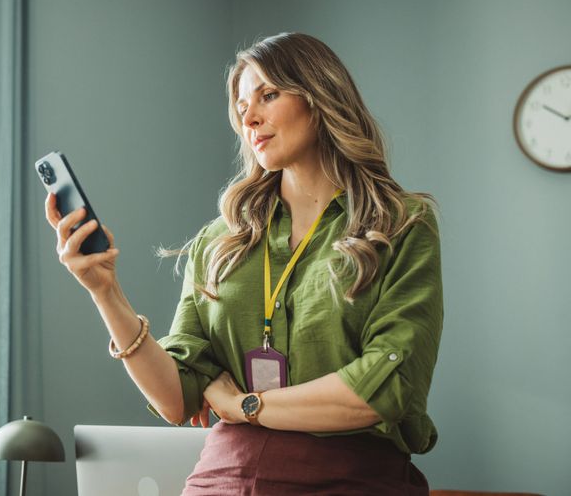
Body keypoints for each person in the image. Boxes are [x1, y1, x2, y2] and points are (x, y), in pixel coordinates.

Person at [44, 32, 442, 495]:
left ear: (320, 99)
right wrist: (104, 291)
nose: (249, 117)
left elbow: (384, 390)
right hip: (221, 478)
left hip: (349, 479)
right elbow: (176, 399)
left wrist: (244, 406)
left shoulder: (400, 224)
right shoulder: (219, 240)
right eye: (241, 105)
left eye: (268, 95)